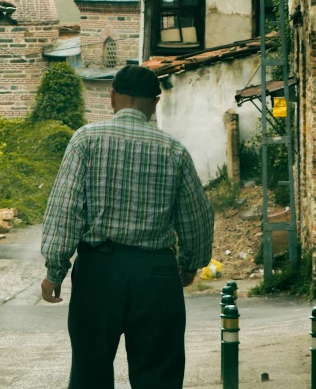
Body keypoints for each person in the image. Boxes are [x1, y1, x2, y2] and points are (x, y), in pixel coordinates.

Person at [41, 64, 214, 389]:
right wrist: (190, 265)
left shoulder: (85, 141)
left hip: (98, 274)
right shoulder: (173, 150)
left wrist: (55, 270)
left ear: (111, 98)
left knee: (90, 374)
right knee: (159, 377)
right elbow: (198, 216)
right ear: (154, 103)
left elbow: (65, 211)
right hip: (156, 277)